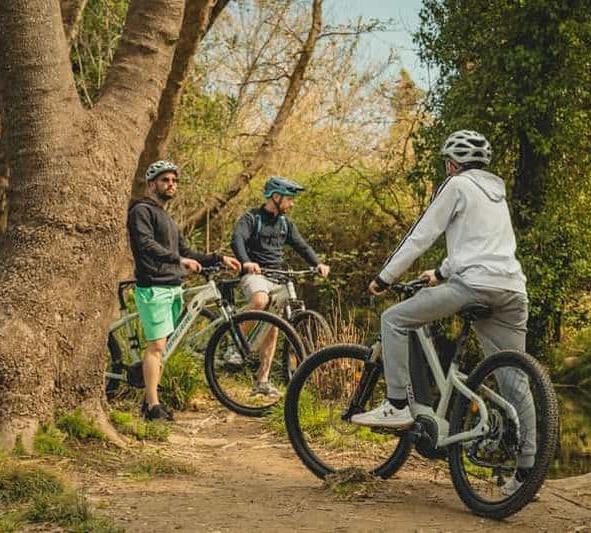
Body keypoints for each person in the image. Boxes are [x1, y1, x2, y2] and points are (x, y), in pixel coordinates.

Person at [351, 130, 535, 496]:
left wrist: (385, 277)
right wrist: (439, 272)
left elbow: (421, 235)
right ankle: (529, 470)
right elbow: (483, 246)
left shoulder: (456, 185)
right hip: (513, 291)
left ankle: (397, 405)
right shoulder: (496, 193)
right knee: (515, 379)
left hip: (474, 286)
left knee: (394, 320)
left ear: (452, 164)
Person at [128, 160, 241, 421]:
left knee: (163, 349)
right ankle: (153, 407)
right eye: (165, 180)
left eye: (174, 181)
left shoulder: (167, 218)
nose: (171, 184)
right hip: (153, 286)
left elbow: (186, 252)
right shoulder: (141, 211)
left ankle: (148, 400)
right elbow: (145, 245)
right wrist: (179, 260)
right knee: (156, 347)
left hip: (173, 286)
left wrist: (218, 258)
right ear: (151, 184)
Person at [230, 176, 330, 397]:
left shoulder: (285, 224)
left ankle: (262, 381)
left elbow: (302, 246)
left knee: (274, 326)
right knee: (260, 300)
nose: (291, 204)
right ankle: (235, 345)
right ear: (275, 197)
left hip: (277, 276)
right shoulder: (252, 218)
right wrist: (246, 262)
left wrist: (317, 263)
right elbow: (237, 239)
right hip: (255, 274)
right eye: (289, 199)